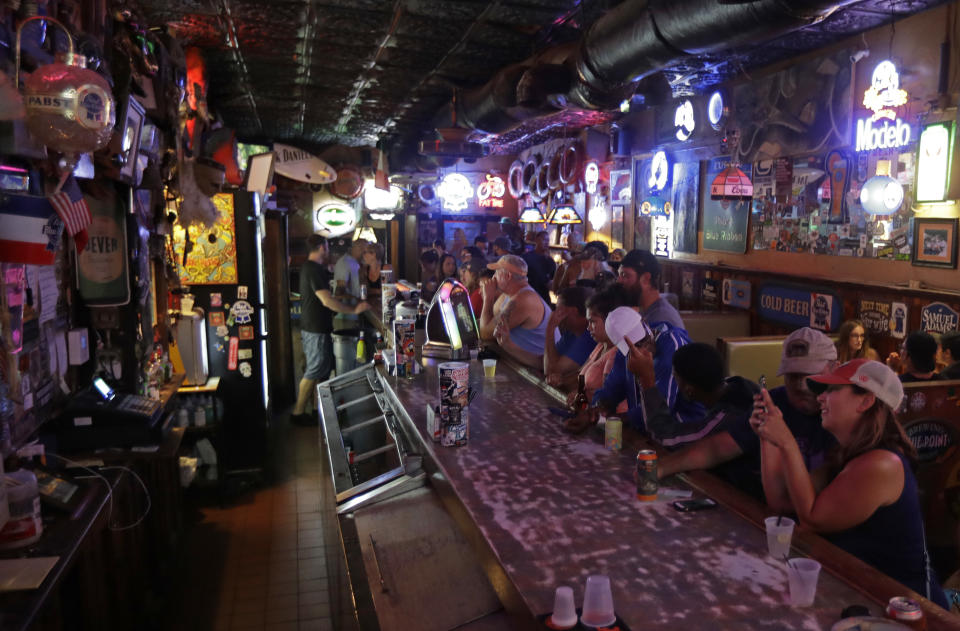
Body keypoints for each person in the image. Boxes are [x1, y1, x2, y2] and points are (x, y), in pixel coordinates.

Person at [751, 359, 949, 608]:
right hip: (863, 592)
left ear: (866, 401)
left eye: (831, 390)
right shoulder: (848, 455)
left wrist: (787, 442)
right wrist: (767, 436)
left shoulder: (882, 464)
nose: (820, 398)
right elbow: (781, 502)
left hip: (910, 607)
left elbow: (812, 519)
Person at [655, 328, 838, 499]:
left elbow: (800, 502)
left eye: (810, 375)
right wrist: (660, 467)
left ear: (834, 368)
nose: (801, 385)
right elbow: (716, 448)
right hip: (763, 512)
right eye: (793, 376)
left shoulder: (846, 413)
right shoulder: (774, 402)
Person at [627, 342, 757, 458]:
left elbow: (665, 438)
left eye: (675, 378)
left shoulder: (726, 419)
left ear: (689, 390)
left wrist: (646, 379)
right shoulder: (739, 385)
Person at [293, 235, 371, 426]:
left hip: (318, 326)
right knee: (314, 369)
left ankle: (314, 411)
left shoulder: (314, 269)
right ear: (321, 248)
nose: (328, 251)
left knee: (322, 370)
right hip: (315, 328)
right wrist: (354, 309)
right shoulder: (312, 269)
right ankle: (297, 413)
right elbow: (328, 300)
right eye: (327, 247)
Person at [590, 307, 704, 431]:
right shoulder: (623, 354)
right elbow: (611, 390)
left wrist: (613, 419)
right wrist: (596, 409)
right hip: (649, 432)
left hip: (681, 431)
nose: (645, 348)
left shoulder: (673, 347)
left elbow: (660, 411)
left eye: (643, 339)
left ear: (644, 322)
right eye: (635, 346)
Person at [562, 286, 628, 432]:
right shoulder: (601, 346)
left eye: (593, 322)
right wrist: (578, 393)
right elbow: (581, 376)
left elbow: (610, 404)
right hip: (588, 416)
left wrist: (583, 399)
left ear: (611, 322)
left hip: (608, 427)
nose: (588, 328)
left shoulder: (617, 355)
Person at [479, 254, 551, 369]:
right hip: (520, 363)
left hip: (537, 370)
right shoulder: (509, 294)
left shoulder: (523, 300)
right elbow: (491, 320)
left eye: (497, 273)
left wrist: (488, 298)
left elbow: (486, 334)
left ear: (507, 276)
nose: (493, 278)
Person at [543, 286, 596, 389]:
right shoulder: (571, 332)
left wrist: (550, 329)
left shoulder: (589, 336)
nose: (555, 312)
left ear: (573, 311)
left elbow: (551, 370)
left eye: (558, 308)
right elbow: (547, 365)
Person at [617, 249, 684, 329]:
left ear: (646, 279)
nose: (619, 280)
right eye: (619, 274)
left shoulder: (661, 319)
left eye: (625, 275)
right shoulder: (646, 310)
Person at [522, 231, 556, 305]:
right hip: (529, 295)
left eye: (548, 240)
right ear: (536, 240)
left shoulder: (550, 261)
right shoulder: (526, 257)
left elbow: (553, 280)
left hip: (544, 298)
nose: (546, 242)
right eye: (544, 240)